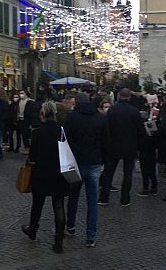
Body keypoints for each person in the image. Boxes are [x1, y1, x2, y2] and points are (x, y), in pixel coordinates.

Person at [21, 101, 69, 254]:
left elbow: (33, 155)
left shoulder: (37, 133)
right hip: (58, 172)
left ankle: (33, 229)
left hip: (41, 173)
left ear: (43, 115)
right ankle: (59, 238)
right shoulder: (61, 131)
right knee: (59, 205)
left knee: (37, 204)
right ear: (54, 114)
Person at [64, 93, 106, 248]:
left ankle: (70, 225)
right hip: (95, 163)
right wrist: (103, 161)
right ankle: (90, 235)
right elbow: (105, 140)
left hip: (77, 163)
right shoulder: (100, 117)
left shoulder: (72, 117)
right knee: (92, 201)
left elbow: (66, 139)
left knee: (73, 196)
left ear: (77, 102)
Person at [99, 88, 144, 207]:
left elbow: (106, 128)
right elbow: (140, 131)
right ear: (129, 97)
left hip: (113, 145)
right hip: (130, 146)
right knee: (127, 174)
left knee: (109, 172)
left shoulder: (112, 110)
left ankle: (104, 197)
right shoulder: (134, 111)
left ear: (119, 96)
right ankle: (125, 198)